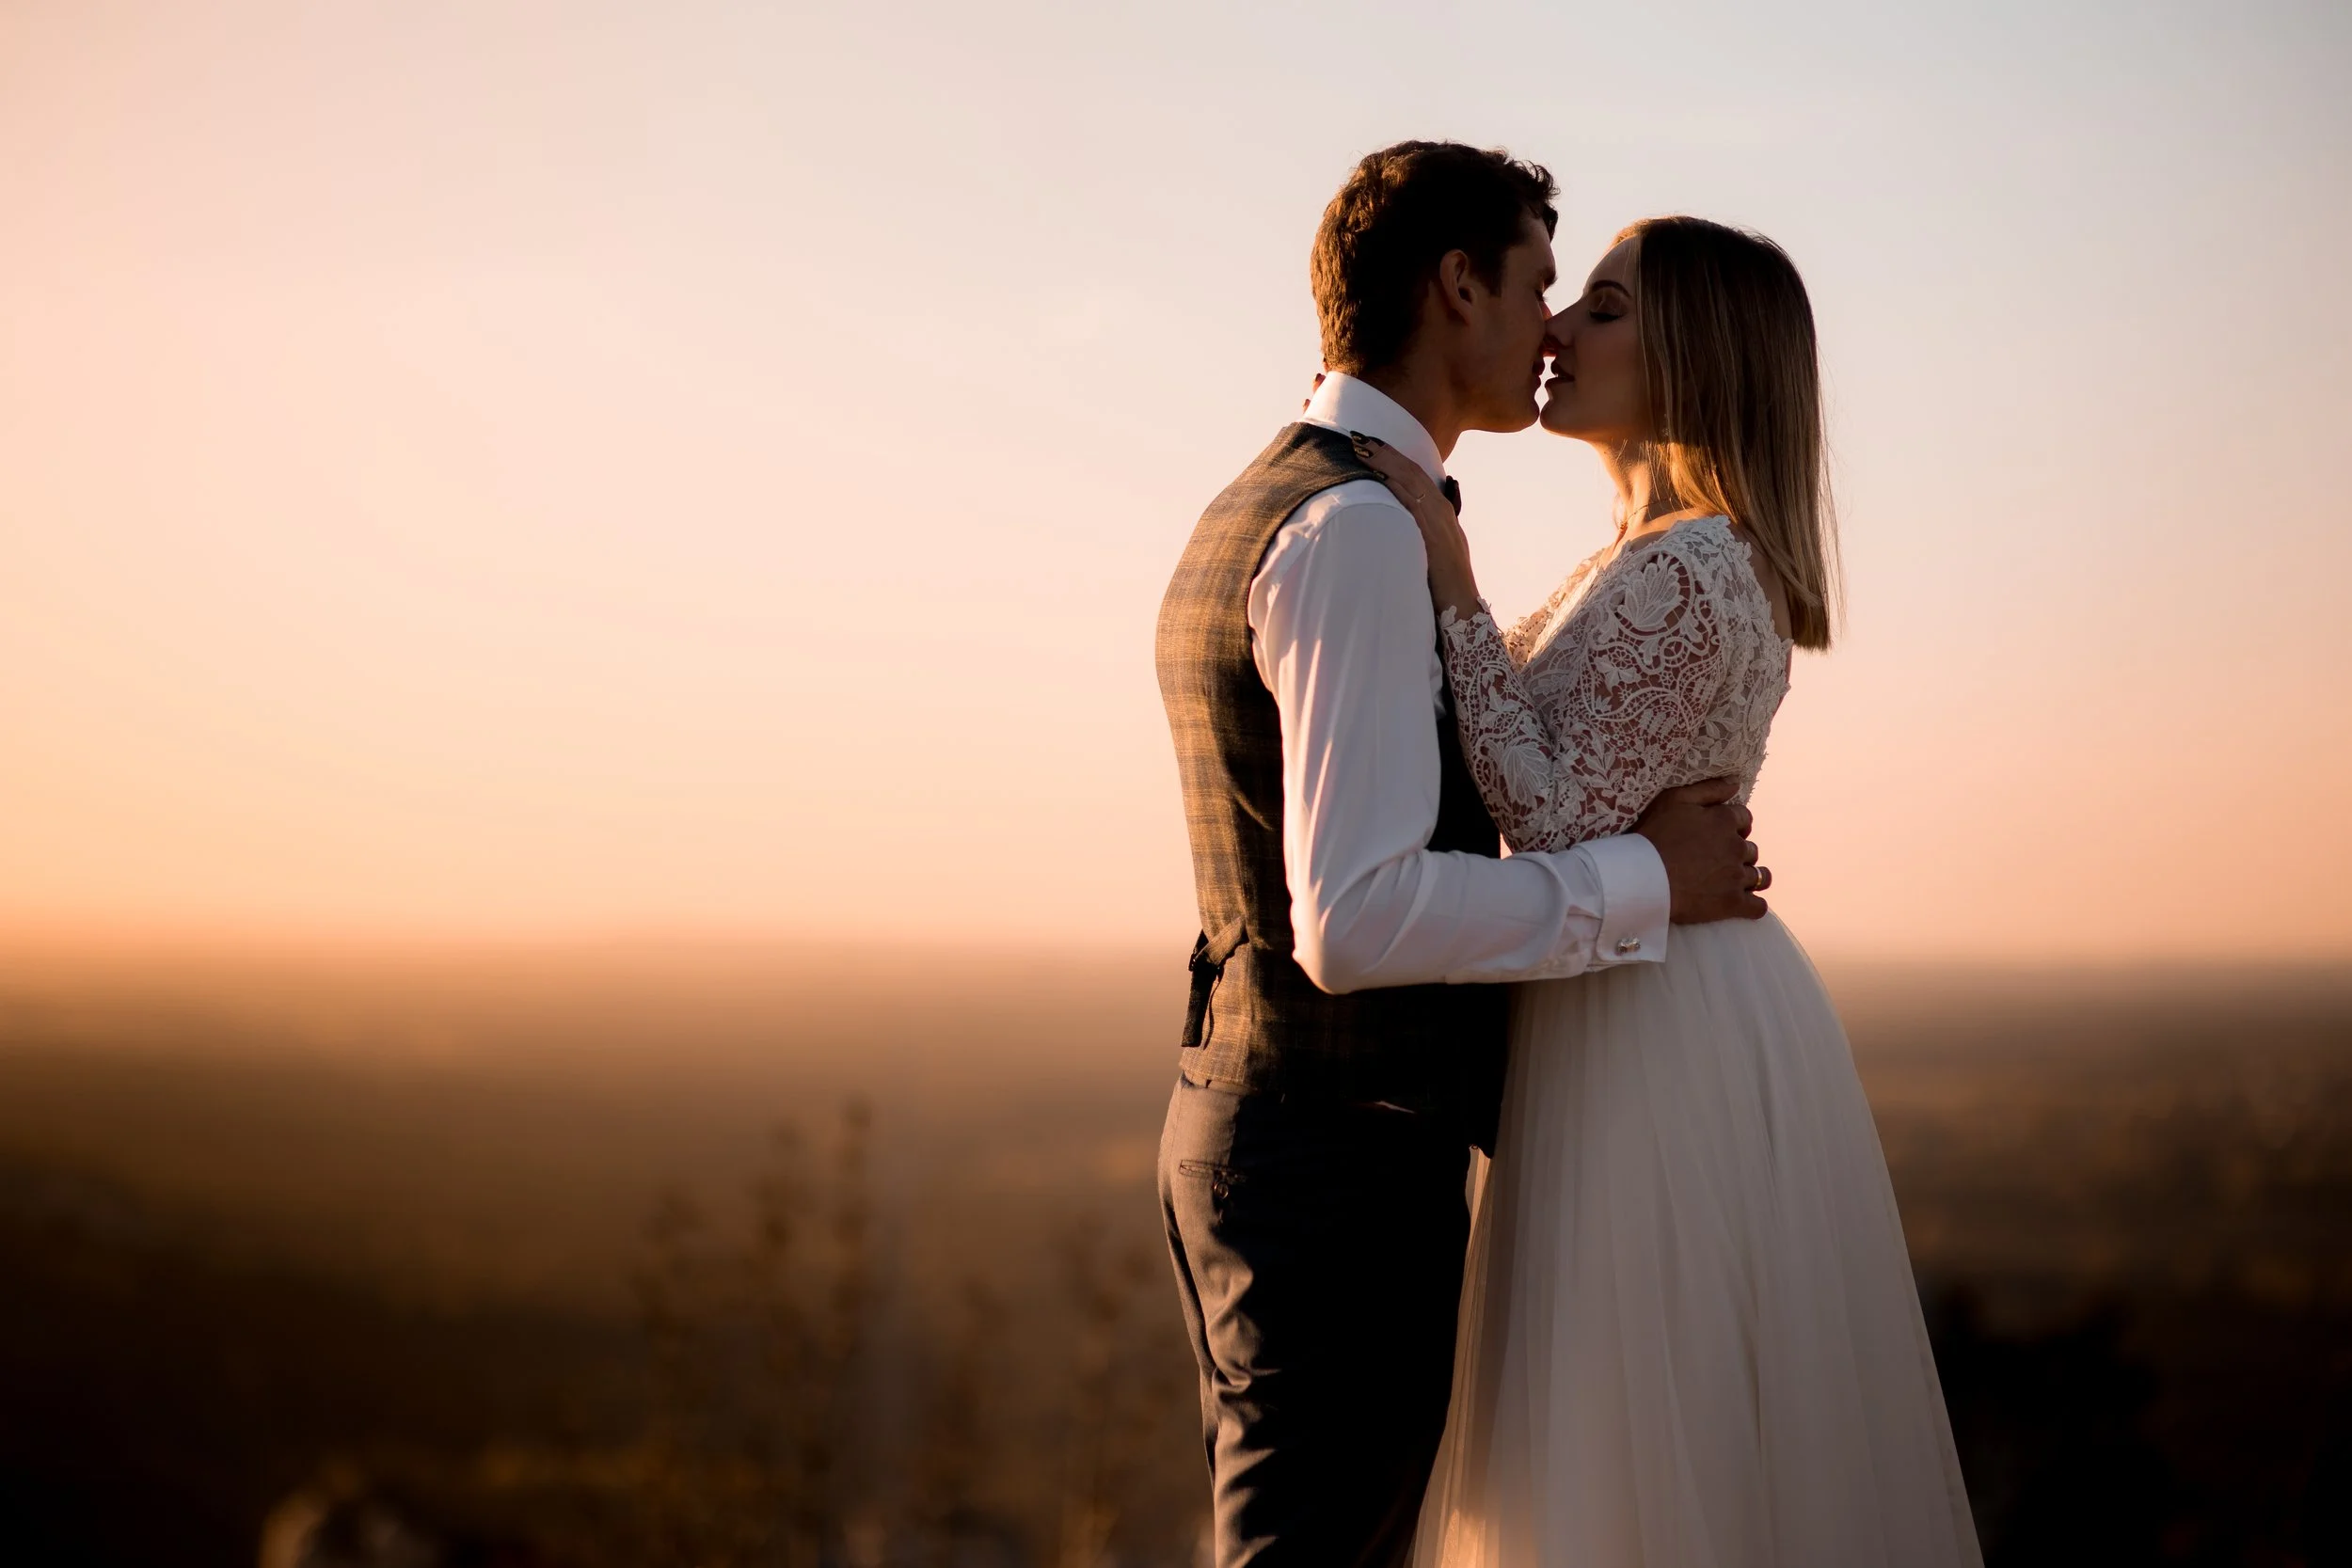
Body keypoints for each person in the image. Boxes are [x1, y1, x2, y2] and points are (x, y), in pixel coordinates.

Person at [1152, 143, 1766, 1568]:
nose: (1551, 325)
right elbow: (1357, 920)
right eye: (1545, 286)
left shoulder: (1284, 494)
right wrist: (1650, 883)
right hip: (1334, 1169)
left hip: (1277, 1132)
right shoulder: (1360, 530)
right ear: (1457, 285)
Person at [1351, 217, 1982, 1566]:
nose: (1560, 330)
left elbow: (1556, 813)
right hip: (1641, 982)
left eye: (1607, 307)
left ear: (1695, 357)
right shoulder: (1646, 557)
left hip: (1653, 1019)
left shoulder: (1692, 569)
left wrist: (1451, 578)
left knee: (1636, 1412)